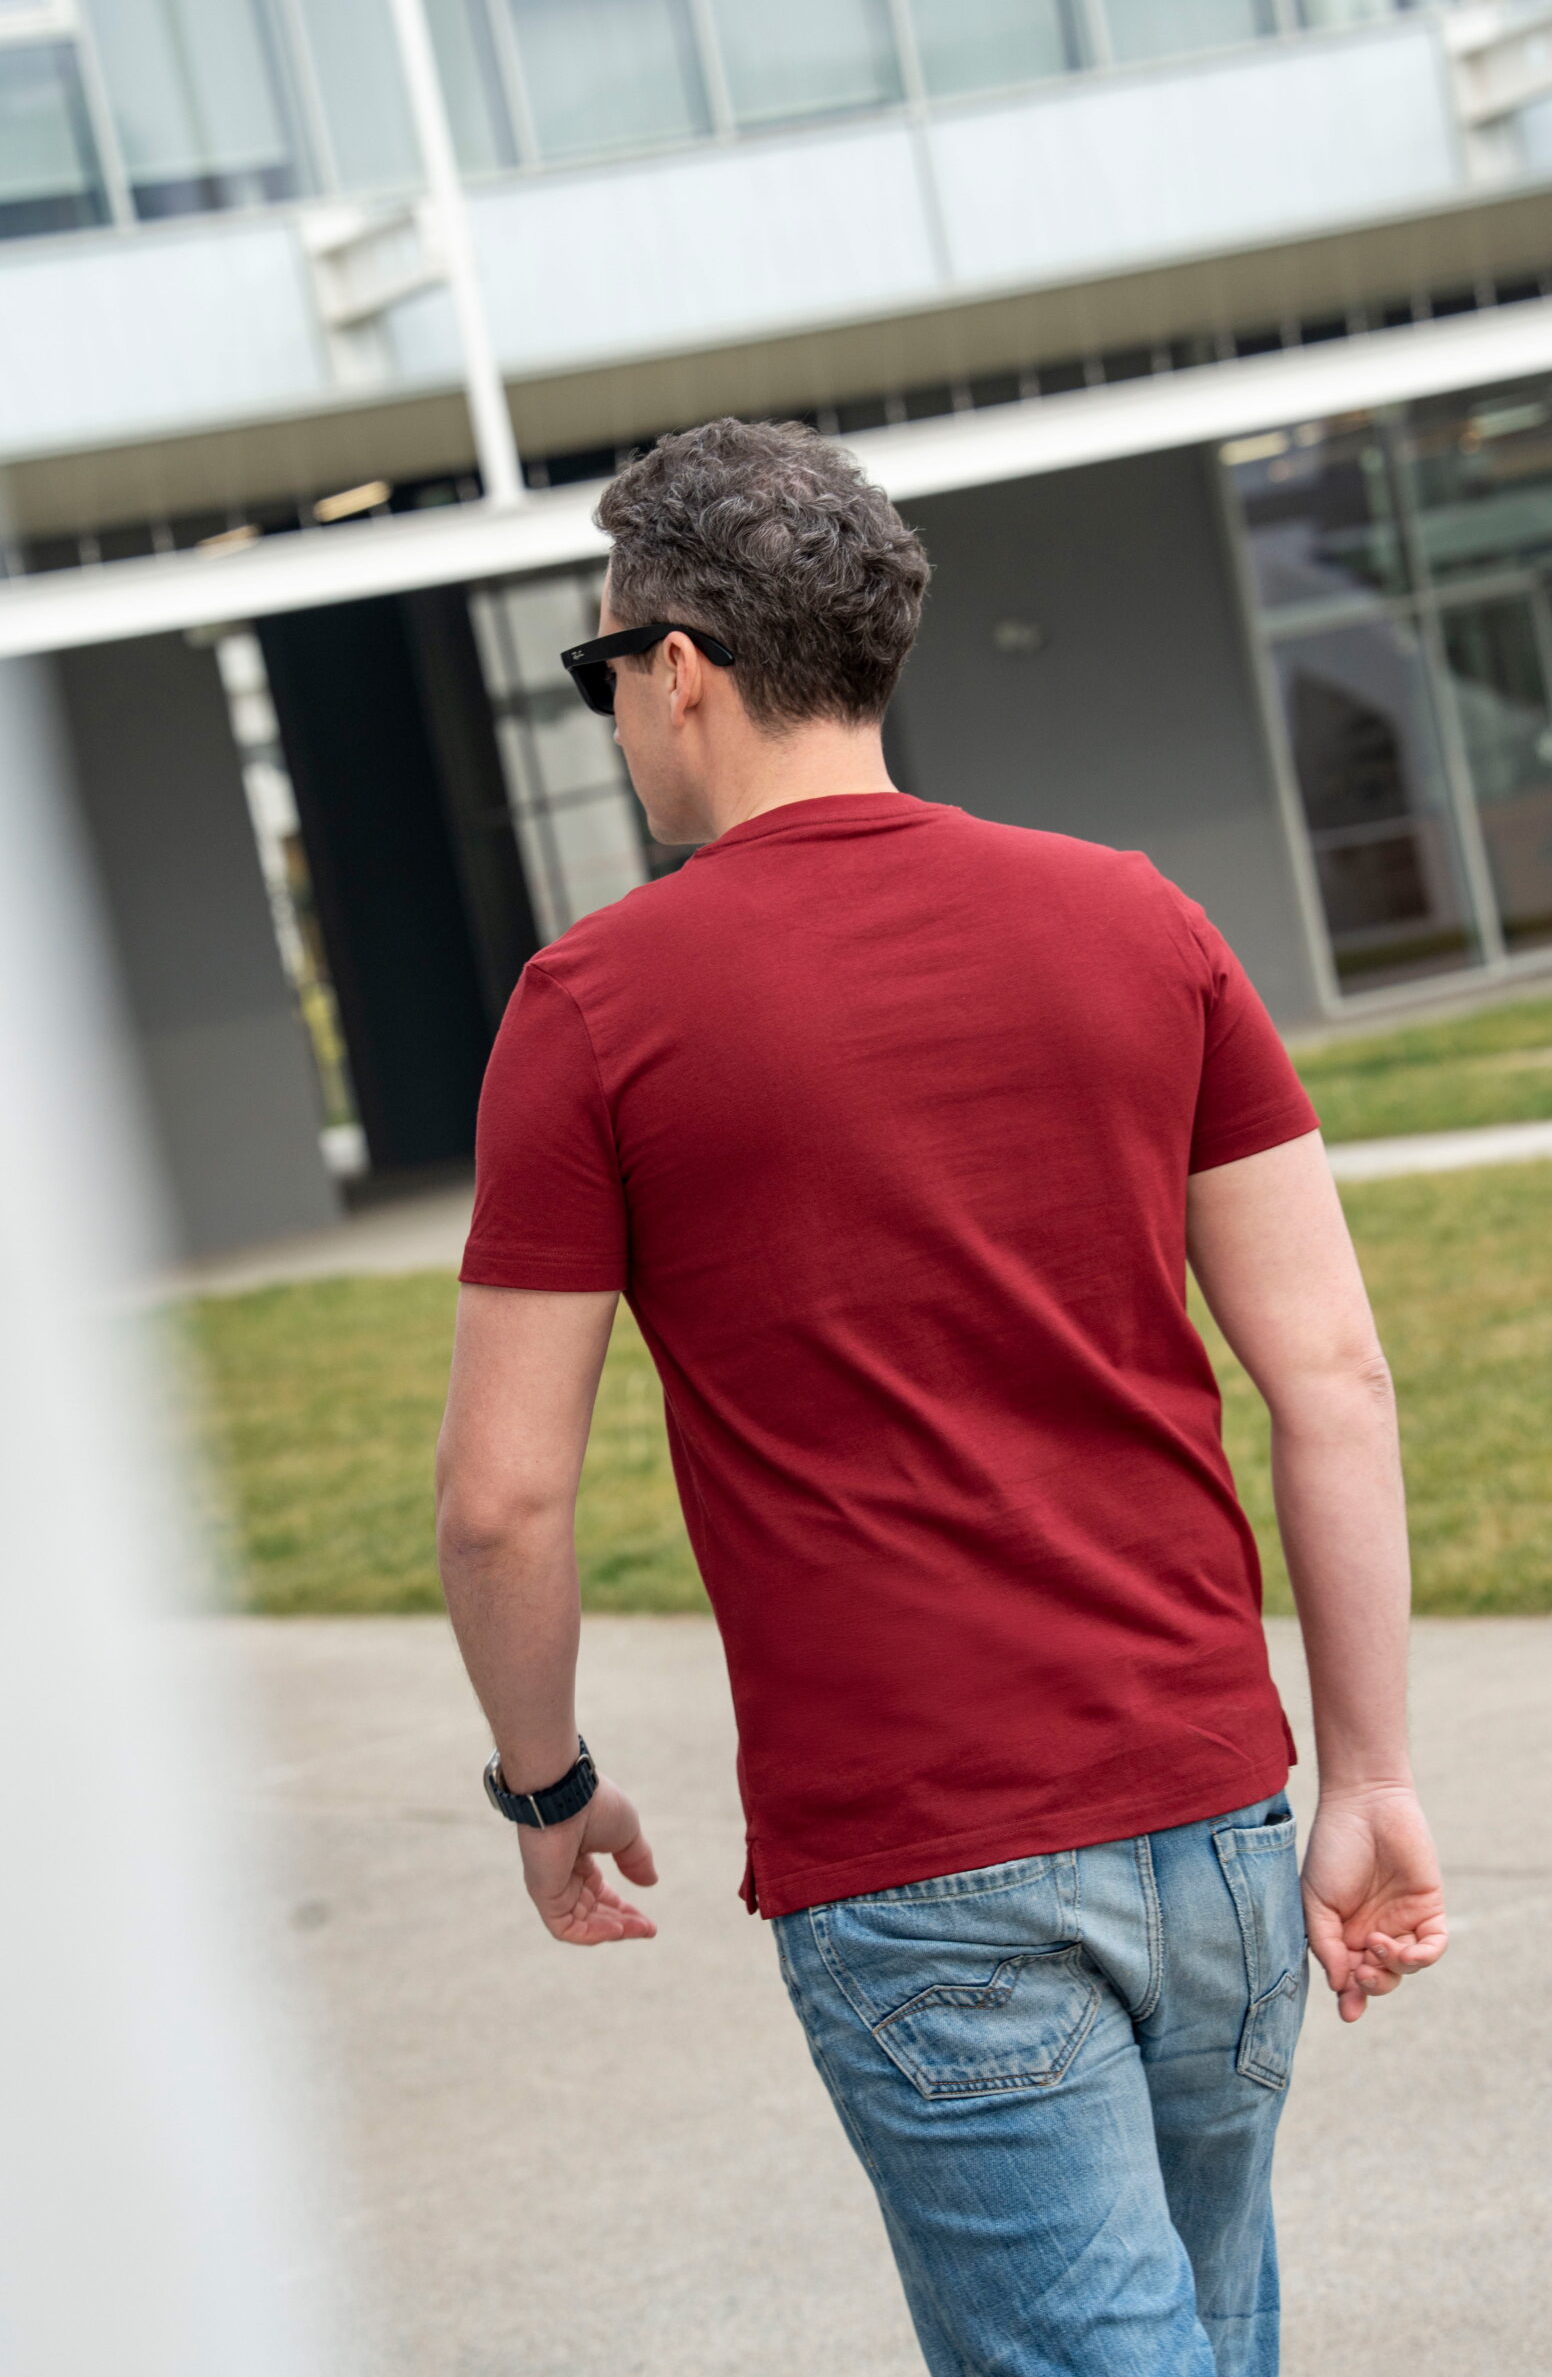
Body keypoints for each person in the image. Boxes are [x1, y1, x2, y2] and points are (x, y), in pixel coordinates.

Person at [436, 418, 1448, 2377]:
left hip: (926, 1859)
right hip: (1217, 1820)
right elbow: (1335, 1373)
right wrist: (1374, 1776)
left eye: (600, 672)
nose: (613, 718)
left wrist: (546, 1783)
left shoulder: (595, 1008)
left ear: (679, 668)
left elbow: (501, 1501)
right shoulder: (1141, 919)